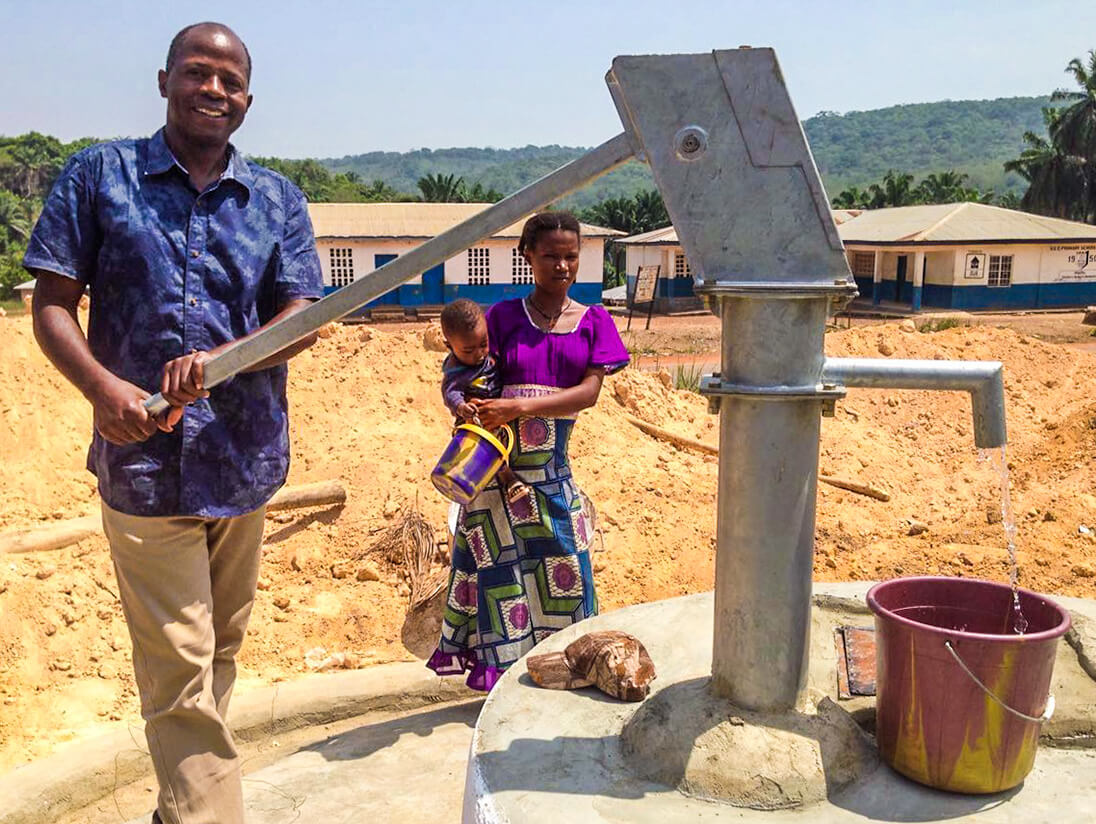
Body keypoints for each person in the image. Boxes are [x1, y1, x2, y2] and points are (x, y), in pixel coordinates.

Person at [24, 22, 323, 824]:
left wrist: (227, 358)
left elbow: (304, 312)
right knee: (181, 667)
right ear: (164, 82)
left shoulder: (277, 200)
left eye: (229, 81)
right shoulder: (99, 176)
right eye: (198, 73)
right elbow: (52, 306)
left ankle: (179, 805)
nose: (213, 90)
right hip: (144, 468)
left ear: (248, 101)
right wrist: (103, 390)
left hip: (244, 461)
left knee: (218, 652)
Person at [427, 212, 629, 691]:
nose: (562, 266)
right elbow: (464, 370)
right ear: (527, 258)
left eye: (571, 256)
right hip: (495, 476)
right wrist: (464, 405)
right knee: (501, 582)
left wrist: (519, 404)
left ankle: (571, 675)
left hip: (551, 476)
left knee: (569, 568)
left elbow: (589, 394)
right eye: (550, 256)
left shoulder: (594, 321)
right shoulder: (500, 317)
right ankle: (504, 692)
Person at [438, 297, 527, 501]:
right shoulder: (456, 371)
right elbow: (450, 393)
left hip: (500, 413)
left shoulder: (489, 357)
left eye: (483, 344)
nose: (479, 354)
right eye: (468, 350)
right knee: (486, 448)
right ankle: (509, 480)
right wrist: (462, 407)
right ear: (449, 346)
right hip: (475, 420)